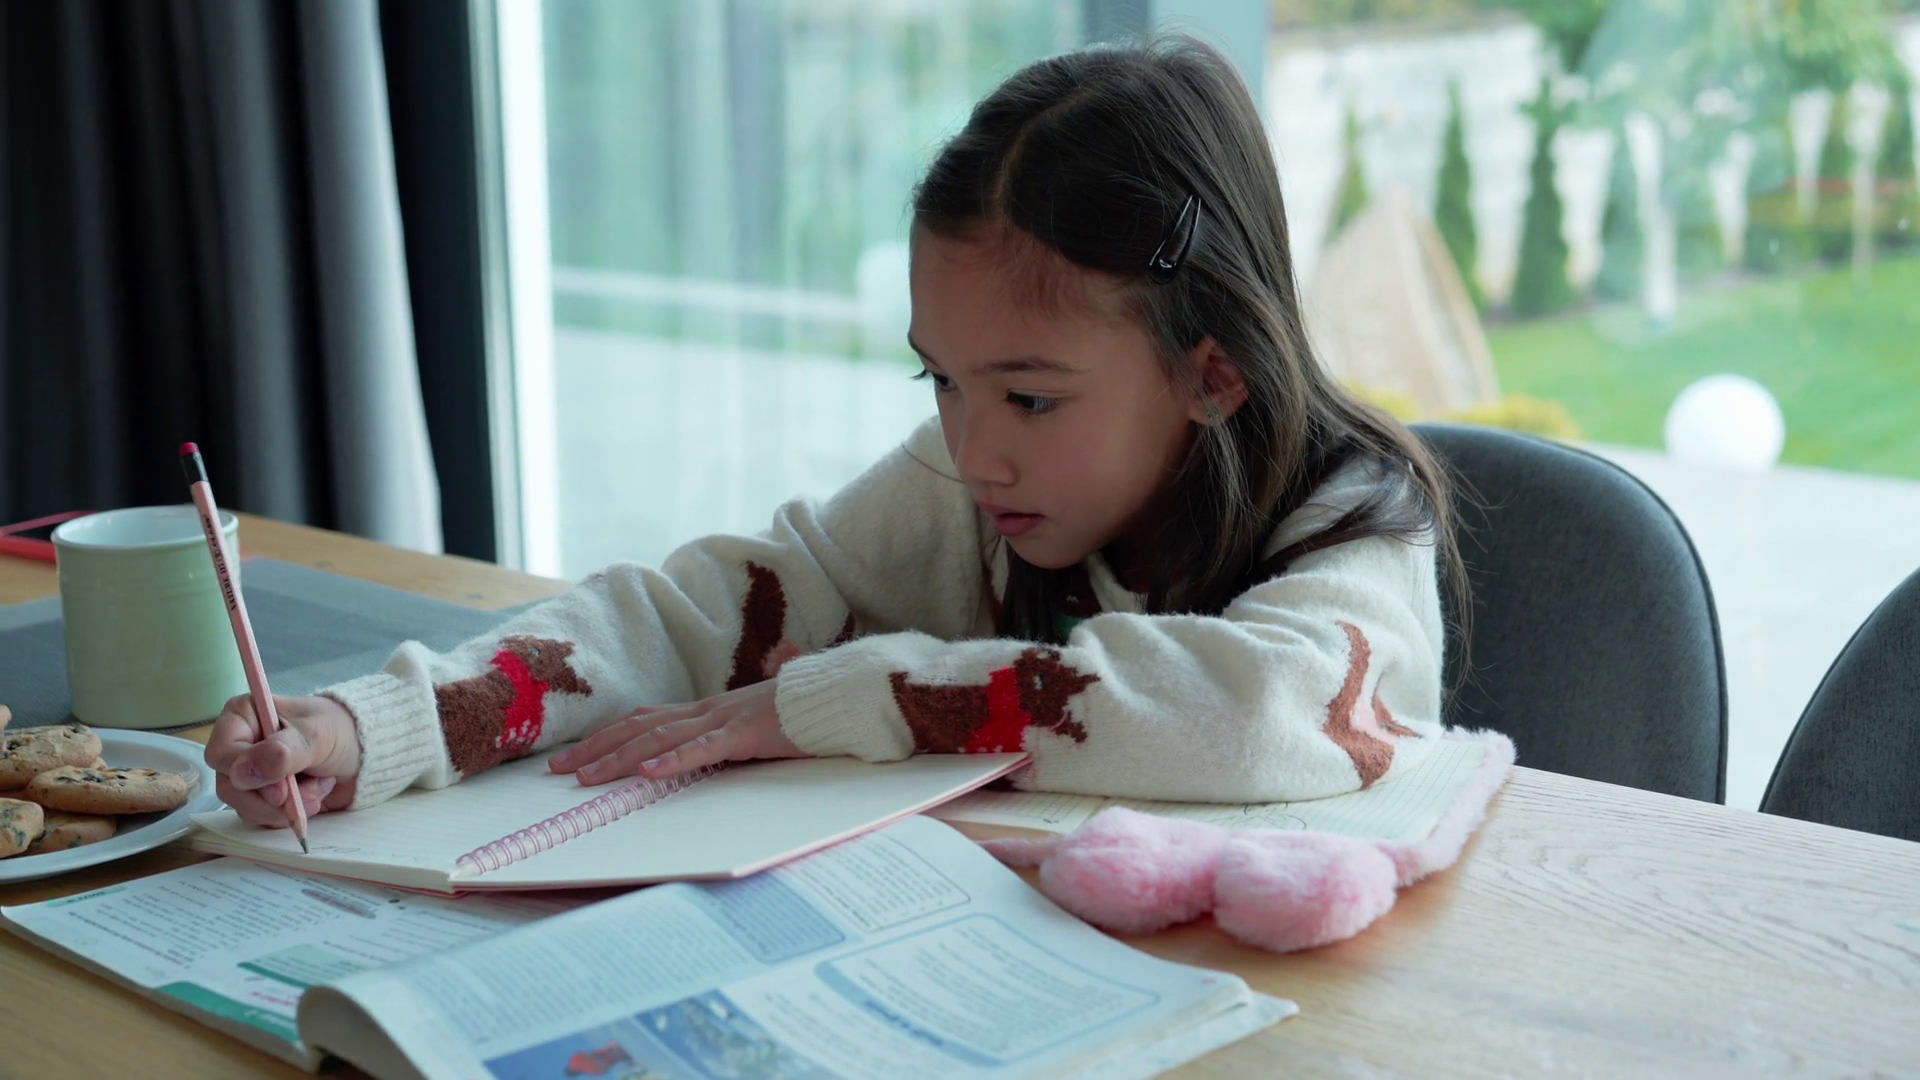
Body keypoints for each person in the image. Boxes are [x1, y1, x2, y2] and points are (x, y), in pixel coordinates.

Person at [207, 35, 1464, 828]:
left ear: (1214, 373)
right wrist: (383, 726)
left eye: (1029, 396)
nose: (972, 452)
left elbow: (1266, 712)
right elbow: (699, 614)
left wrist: (858, 696)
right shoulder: (978, 487)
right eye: (940, 380)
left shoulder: (1357, 521)